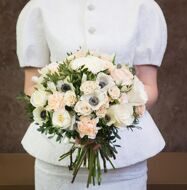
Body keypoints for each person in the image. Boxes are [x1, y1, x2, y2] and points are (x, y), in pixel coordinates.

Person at [16, 0, 167, 189]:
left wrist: (108, 119)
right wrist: (72, 119)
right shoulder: (39, 6)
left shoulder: (143, 7)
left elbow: (148, 86)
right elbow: (32, 88)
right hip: (57, 155)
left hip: (125, 158)